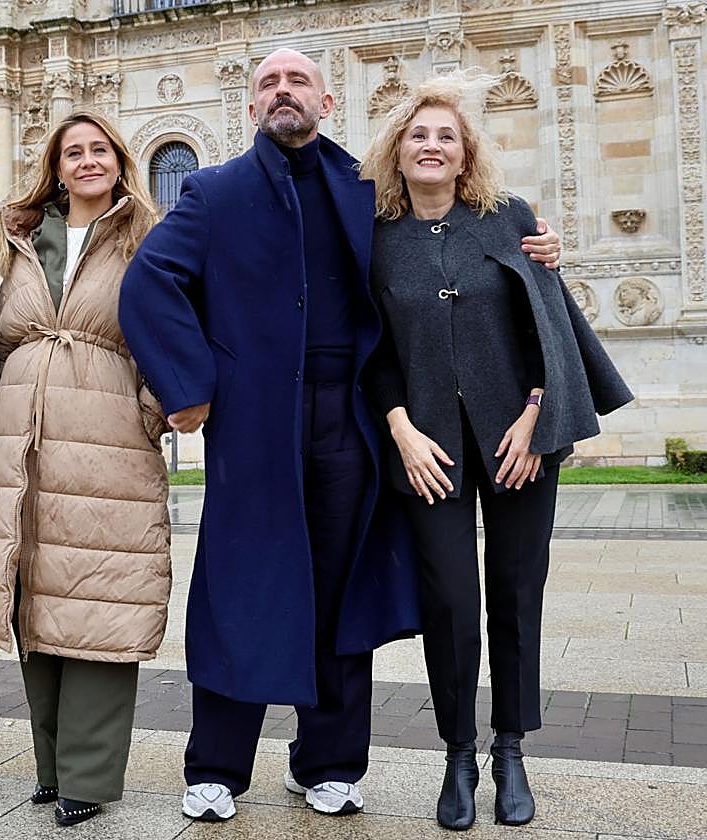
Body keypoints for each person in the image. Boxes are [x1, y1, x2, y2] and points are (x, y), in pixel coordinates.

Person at [118, 49, 564, 824]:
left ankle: (327, 763)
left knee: (342, 590)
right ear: (251, 106)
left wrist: (539, 247)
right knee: (239, 587)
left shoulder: (367, 189)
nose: (282, 92)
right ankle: (216, 766)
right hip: (255, 424)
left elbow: (452, 235)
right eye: (268, 83)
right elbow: (149, 282)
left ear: (326, 103)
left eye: (298, 82)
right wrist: (191, 388)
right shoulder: (213, 192)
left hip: (353, 420)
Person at [360, 73, 632, 830]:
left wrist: (537, 415)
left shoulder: (509, 218)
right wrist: (400, 428)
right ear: (397, 150)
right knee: (449, 600)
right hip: (428, 450)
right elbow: (371, 347)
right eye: (418, 135)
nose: (432, 146)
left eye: (446, 136)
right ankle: (458, 753)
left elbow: (546, 322)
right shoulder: (376, 237)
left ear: (466, 152)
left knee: (515, 593)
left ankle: (510, 749)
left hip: (518, 441)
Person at [0, 110, 169, 827]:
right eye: (72, 152)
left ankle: (90, 773)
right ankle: (51, 767)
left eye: (98, 149)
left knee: (101, 596)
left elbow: (170, 329)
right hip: (22, 440)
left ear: (119, 160)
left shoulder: (145, 236)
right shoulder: (17, 237)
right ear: (55, 166)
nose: (86, 161)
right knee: (35, 595)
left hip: (108, 438)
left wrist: (152, 411)